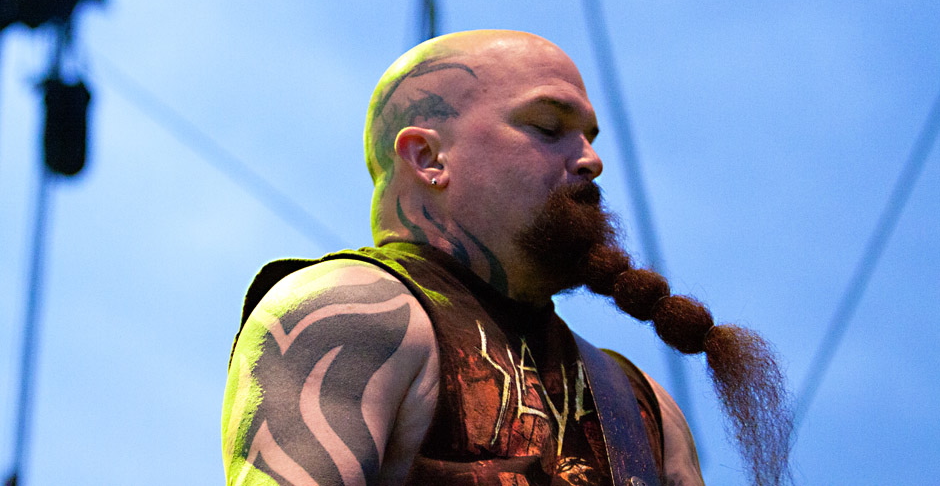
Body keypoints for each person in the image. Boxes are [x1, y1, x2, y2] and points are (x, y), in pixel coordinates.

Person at [221, 30, 792, 486]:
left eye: (590, 137)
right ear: (428, 158)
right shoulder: (353, 311)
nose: (591, 160)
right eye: (548, 127)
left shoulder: (643, 406)